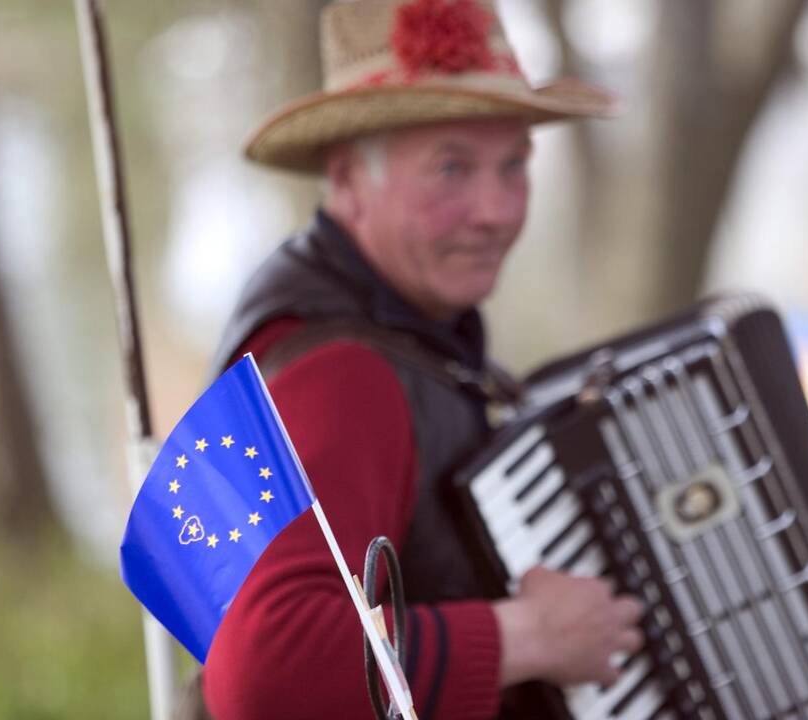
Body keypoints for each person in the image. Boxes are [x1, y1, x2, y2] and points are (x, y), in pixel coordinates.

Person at [200, 1, 644, 718]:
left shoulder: (370, 323)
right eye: (450, 168)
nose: (496, 211)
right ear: (346, 181)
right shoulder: (342, 375)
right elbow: (261, 677)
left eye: (513, 167)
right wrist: (527, 635)